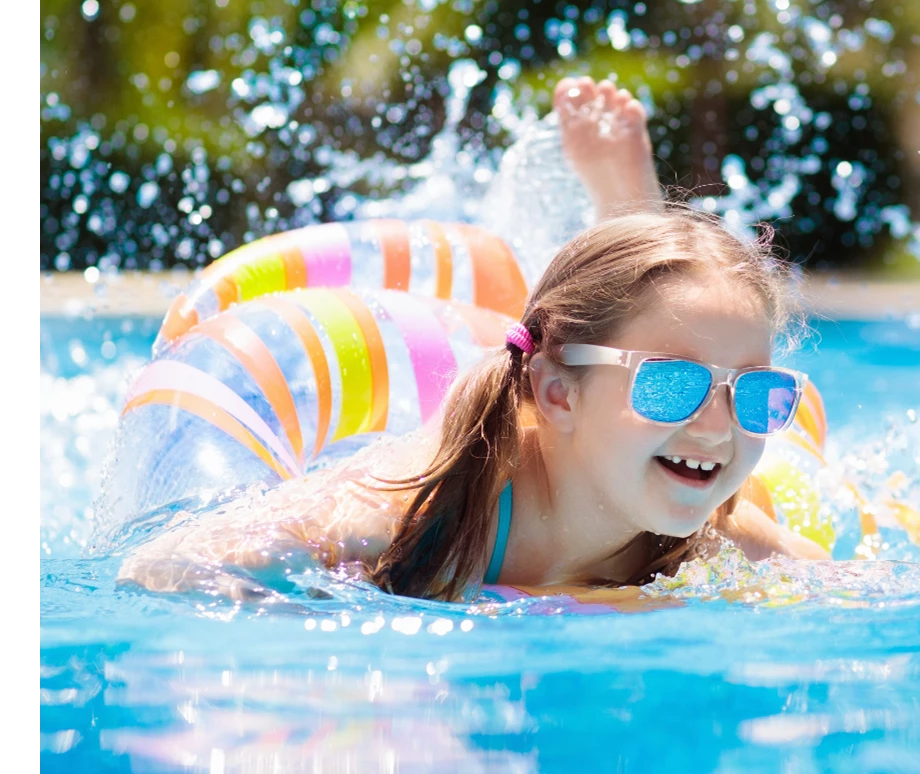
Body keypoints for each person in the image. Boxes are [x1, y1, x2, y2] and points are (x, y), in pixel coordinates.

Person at [116, 76, 831, 604]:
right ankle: (629, 212)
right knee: (641, 309)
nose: (714, 426)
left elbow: (855, 596)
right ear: (556, 393)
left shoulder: (716, 528)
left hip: (600, 411)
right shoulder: (417, 512)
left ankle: (633, 213)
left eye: (759, 394)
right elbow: (162, 566)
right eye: (670, 384)